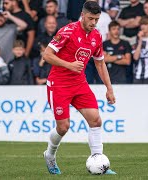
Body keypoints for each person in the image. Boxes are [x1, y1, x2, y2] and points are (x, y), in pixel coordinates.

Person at [42, 1, 116, 175]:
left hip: (79, 83)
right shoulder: (68, 31)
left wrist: (109, 89)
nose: (93, 23)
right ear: (83, 15)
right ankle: (50, 155)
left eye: (96, 19)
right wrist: (68, 65)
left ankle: (99, 161)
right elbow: (47, 55)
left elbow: (100, 64)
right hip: (59, 84)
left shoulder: (96, 36)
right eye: (90, 18)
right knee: (63, 127)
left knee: (96, 120)